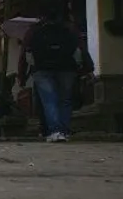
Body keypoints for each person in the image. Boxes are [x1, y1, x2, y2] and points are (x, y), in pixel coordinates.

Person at [25, 9, 82, 142]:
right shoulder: (68, 32)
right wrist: (78, 66)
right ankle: (65, 130)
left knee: (49, 101)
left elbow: (28, 54)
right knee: (65, 100)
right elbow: (77, 51)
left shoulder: (36, 32)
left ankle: (55, 131)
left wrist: (32, 68)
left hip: (42, 69)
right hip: (67, 68)